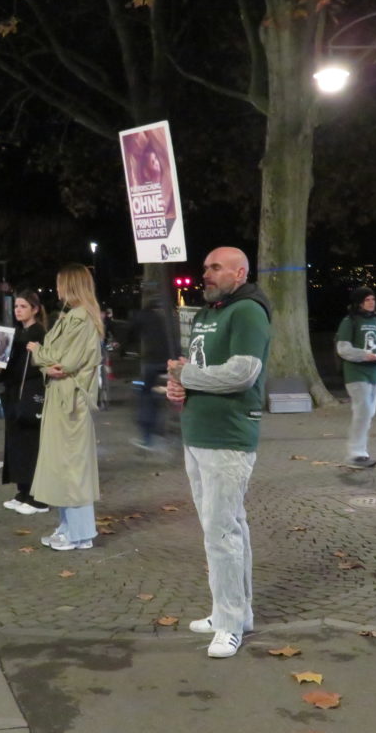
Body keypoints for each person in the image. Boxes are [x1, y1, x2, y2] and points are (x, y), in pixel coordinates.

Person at [165, 246, 271, 659]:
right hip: (197, 432)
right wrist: (179, 386)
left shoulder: (248, 312)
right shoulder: (210, 313)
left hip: (228, 436)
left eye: (215, 267)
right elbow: (201, 369)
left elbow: (243, 373)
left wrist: (185, 375)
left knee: (221, 532)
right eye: (205, 267)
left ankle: (229, 624)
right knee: (225, 528)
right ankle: (232, 611)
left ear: (240, 272)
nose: (205, 273)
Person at [27, 264, 103, 551]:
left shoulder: (79, 320)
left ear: (70, 286)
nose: (56, 289)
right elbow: (56, 364)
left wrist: (38, 354)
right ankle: (71, 528)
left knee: (71, 467)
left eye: (60, 284)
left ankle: (78, 533)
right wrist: (48, 363)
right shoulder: (74, 318)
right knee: (65, 466)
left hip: (69, 401)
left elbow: (63, 363)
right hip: (63, 399)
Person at [0, 290, 48, 515]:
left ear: (34, 309)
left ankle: (37, 495)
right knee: (16, 442)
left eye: (23, 306)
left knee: (30, 443)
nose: (18, 310)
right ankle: (23, 490)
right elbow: (7, 367)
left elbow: (38, 365)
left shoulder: (38, 334)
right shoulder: (16, 332)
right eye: (16, 306)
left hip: (30, 393)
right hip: (14, 393)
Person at [335, 286, 376, 469]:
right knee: (364, 411)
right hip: (356, 373)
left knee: (369, 413)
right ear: (359, 302)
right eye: (367, 300)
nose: (371, 303)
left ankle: (361, 451)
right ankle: (356, 454)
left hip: (373, 373)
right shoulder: (349, 321)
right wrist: (363, 355)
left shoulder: (375, 321)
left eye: (373, 299)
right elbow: (343, 348)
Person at [122, 286, 170, 449]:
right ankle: (162, 427)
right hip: (170, 361)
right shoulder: (169, 315)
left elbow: (130, 335)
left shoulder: (142, 315)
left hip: (152, 361)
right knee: (161, 392)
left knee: (146, 394)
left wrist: (124, 350)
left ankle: (146, 437)